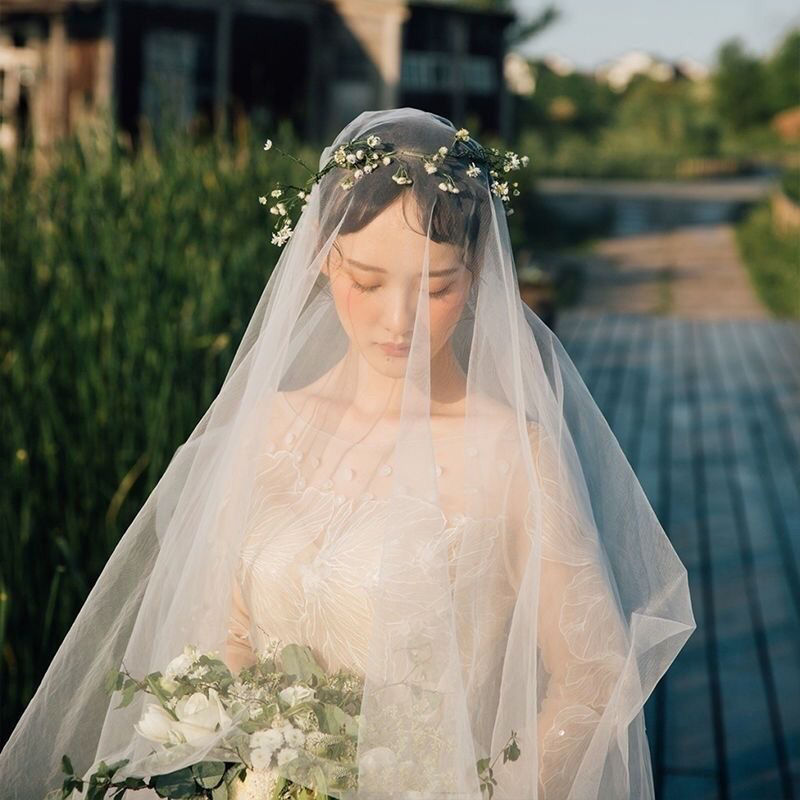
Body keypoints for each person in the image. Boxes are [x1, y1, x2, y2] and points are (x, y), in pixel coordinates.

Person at [0, 107, 695, 799]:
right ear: (326, 257)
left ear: (478, 271)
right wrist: (239, 773)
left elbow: (593, 676)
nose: (399, 322)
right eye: (365, 282)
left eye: (437, 286)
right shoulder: (267, 426)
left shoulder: (513, 456)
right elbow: (225, 638)